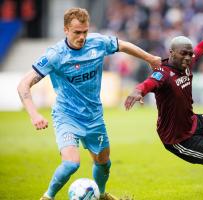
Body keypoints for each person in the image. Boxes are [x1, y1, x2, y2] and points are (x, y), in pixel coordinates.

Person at [17, 7, 161, 200]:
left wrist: (150, 58)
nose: (82, 37)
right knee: (71, 164)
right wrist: (34, 115)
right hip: (66, 115)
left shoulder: (98, 42)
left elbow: (123, 45)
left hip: (94, 117)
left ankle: (101, 195)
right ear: (66, 30)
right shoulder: (55, 55)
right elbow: (23, 85)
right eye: (77, 32)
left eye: (85, 31)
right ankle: (47, 197)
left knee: (104, 163)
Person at [124, 18, 203, 200]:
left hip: (194, 121)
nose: (189, 58)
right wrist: (138, 90)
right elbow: (149, 83)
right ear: (171, 53)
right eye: (184, 54)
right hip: (179, 138)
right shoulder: (163, 73)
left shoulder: (188, 62)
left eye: (190, 54)